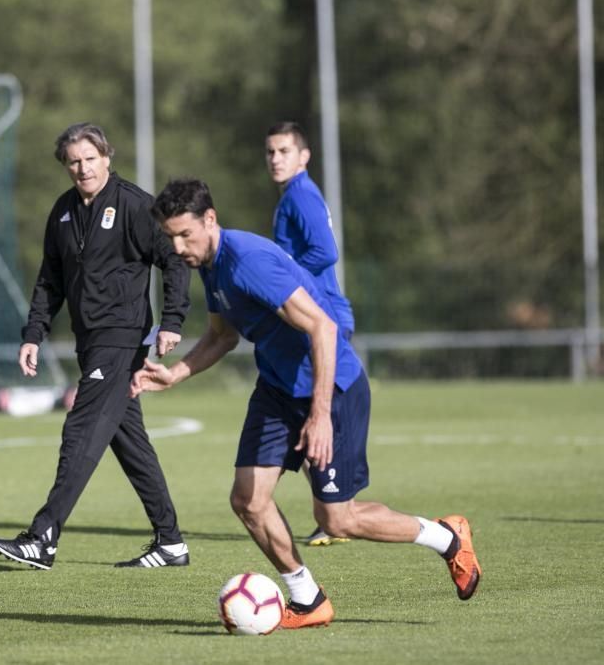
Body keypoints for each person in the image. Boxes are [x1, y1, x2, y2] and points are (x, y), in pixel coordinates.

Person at [136, 178, 481, 628]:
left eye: (185, 234)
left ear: (210, 220)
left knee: (338, 520)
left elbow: (323, 328)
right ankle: (307, 598)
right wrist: (177, 373)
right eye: (171, 237)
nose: (179, 246)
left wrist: (319, 417)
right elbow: (223, 335)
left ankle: (446, 537)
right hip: (278, 390)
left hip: (331, 388)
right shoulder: (210, 263)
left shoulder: (248, 262)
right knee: (248, 500)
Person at [0, 123, 192, 570]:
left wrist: (172, 320)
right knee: (129, 442)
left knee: (80, 430)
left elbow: (174, 259)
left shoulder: (137, 206)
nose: (82, 168)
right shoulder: (62, 212)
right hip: (90, 341)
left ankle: (43, 535)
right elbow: (50, 280)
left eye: (89, 158)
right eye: (73, 162)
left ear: (107, 157)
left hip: (122, 339)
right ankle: (171, 541)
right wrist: (33, 334)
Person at [266, 121, 355, 547]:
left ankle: (336, 510)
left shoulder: (300, 194)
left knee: (310, 414)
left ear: (304, 156)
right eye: (270, 152)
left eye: (284, 151)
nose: (275, 159)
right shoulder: (295, 195)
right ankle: (331, 509)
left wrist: (282, 273)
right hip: (318, 313)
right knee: (303, 416)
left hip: (322, 316)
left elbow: (327, 252)